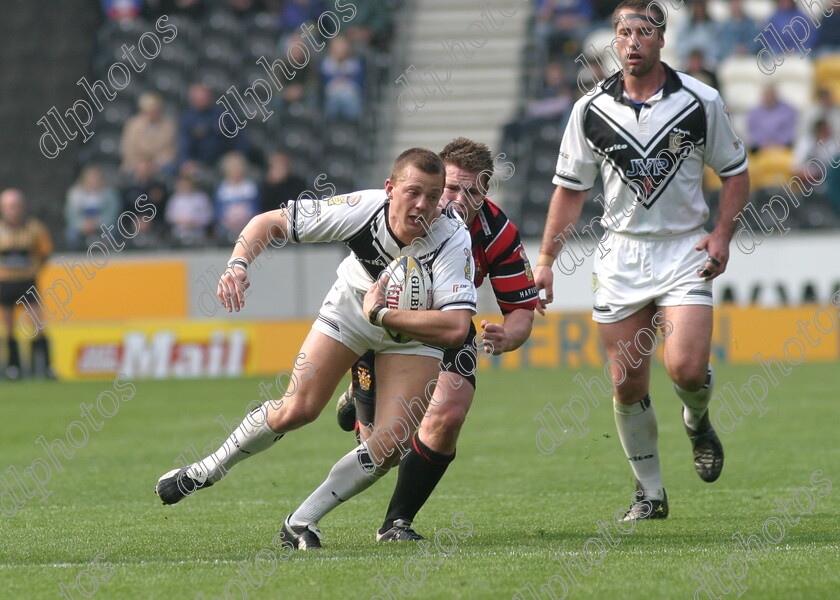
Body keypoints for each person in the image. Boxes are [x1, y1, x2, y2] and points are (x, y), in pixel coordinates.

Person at [154, 148, 477, 550]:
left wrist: (382, 315)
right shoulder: (362, 208)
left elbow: (455, 327)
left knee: (391, 444)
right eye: (413, 192)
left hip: (412, 330)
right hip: (351, 308)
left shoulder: (452, 237)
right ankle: (207, 469)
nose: (423, 205)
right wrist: (238, 265)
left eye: (433, 196)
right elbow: (267, 222)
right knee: (299, 408)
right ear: (390, 189)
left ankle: (301, 521)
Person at [534, 0, 750, 521]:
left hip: (683, 247)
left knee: (687, 369)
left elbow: (736, 173)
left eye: (643, 31)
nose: (631, 41)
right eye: (623, 31)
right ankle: (650, 495)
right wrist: (545, 260)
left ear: (661, 38)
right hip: (621, 253)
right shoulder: (590, 109)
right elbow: (569, 192)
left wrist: (721, 234)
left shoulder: (700, 100)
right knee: (627, 382)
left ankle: (696, 420)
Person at [335, 138, 539, 541]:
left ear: (486, 193)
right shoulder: (397, 212)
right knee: (381, 450)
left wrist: (508, 337)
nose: (460, 199)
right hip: (381, 326)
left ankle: (396, 523)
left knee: (448, 416)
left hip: (446, 326)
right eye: (452, 187)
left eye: (474, 191)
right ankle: (359, 393)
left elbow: (522, 311)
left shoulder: (498, 233)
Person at [0, 189, 53, 379]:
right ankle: (13, 368)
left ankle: (44, 367)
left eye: (15, 206)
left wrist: (34, 269)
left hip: (27, 281)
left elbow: (45, 251)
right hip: (5, 283)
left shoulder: (34, 228)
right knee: (8, 327)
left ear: (22, 207)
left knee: (37, 323)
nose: (12, 210)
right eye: (8, 206)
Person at [120, 92, 177, 176]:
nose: (152, 114)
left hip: (160, 164)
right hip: (137, 163)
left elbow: (170, 150)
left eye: (155, 111)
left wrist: (155, 164)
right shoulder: (133, 125)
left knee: (169, 169)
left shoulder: (168, 126)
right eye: (149, 111)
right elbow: (128, 149)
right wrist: (141, 163)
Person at [64, 165, 121, 250]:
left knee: (110, 233)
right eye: (91, 179)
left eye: (96, 179)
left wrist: (96, 223)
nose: (94, 182)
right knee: (71, 235)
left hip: (103, 226)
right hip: (82, 227)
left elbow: (112, 214)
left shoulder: (110, 194)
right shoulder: (75, 194)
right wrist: (82, 224)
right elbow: (71, 214)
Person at [745, 85, 798, 152]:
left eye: (771, 94)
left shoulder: (788, 110)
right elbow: (752, 131)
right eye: (767, 94)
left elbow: (790, 130)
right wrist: (763, 144)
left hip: (783, 147)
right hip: (760, 148)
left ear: (776, 95)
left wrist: (778, 143)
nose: (769, 97)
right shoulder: (754, 112)